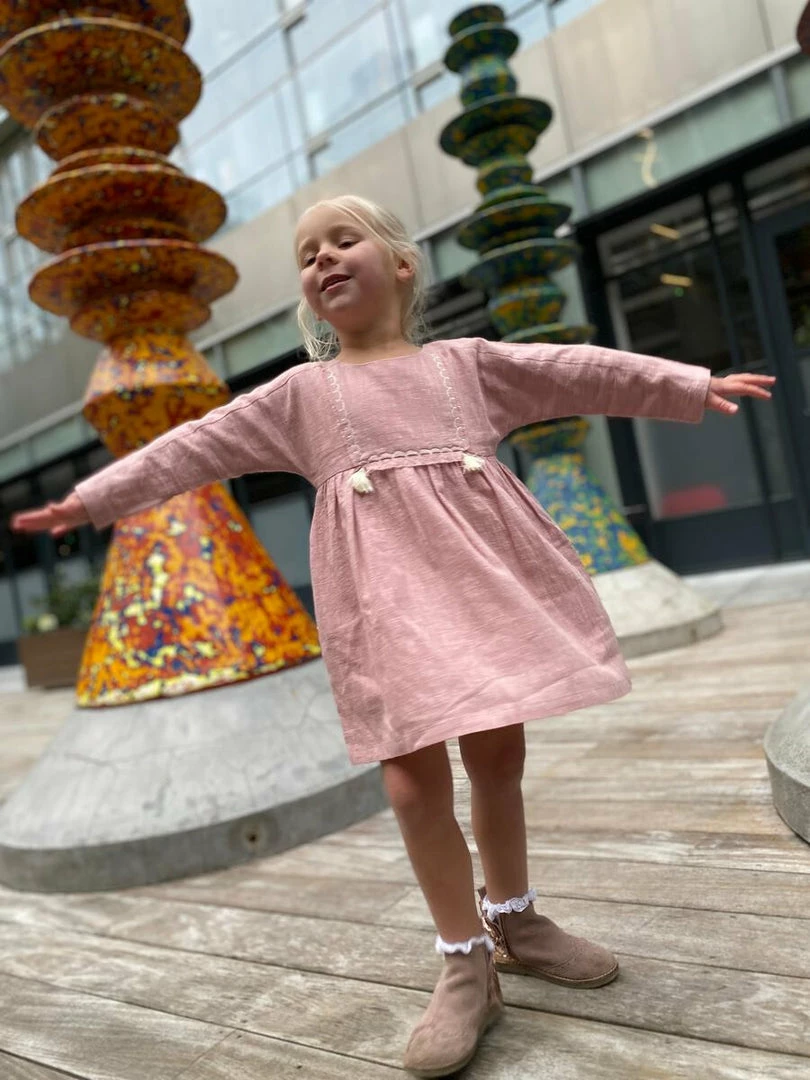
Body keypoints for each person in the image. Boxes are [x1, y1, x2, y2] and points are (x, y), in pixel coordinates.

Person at [13, 195, 774, 1078]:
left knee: (498, 759)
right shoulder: (303, 395)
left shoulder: (466, 366)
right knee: (412, 786)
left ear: (403, 264)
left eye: (344, 240)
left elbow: (573, 370)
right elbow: (193, 446)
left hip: (480, 593)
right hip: (382, 609)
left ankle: (516, 920)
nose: (324, 258)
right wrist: (94, 500)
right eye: (307, 253)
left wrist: (687, 385)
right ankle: (465, 960)